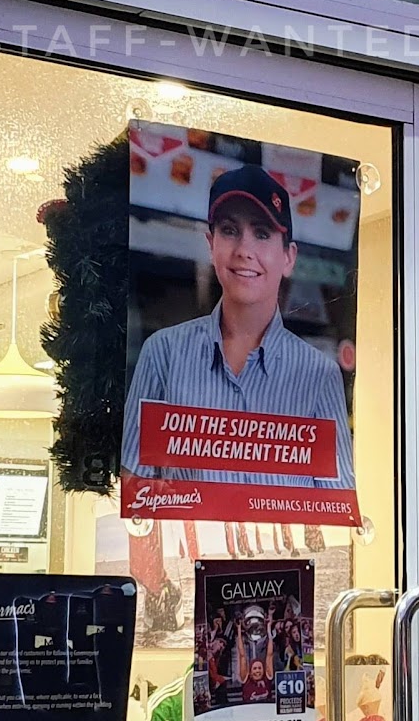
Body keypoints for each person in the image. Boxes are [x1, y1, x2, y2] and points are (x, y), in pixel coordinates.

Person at [122, 165, 356, 490]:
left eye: (262, 233)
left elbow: (335, 502)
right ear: (210, 244)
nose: (244, 250)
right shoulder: (163, 353)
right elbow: (134, 487)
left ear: (288, 257)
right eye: (230, 230)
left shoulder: (319, 374)